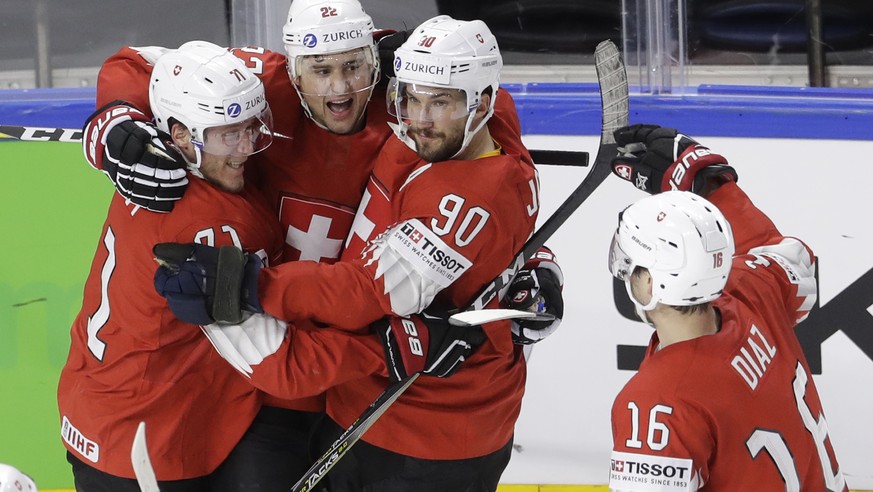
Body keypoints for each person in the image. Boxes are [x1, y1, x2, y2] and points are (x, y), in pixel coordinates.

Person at [81, 0, 564, 483]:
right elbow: (143, 64)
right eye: (320, 70)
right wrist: (114, 123)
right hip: (279, 375)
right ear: (292, 71)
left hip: (358, 375)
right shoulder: (255, 94)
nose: (339, 88)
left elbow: (487, 191)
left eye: (353, 66)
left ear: (375, 60)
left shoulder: (413, 106)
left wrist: (534, 265)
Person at [57, 41, 288, 489]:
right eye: (229, 134)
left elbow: (134, 58)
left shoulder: (145, 165)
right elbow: (276, 339)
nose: (246, 146)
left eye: (251, 127)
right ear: (181, 135)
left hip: (94, 402)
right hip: (150, 439)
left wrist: (116, 119)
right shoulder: (217, 225)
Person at [605, 124, 847, 490]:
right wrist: (709, 185)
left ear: (651, 283)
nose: (624, 273)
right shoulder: (753, 291)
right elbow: (794, 262)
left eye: (629, 265)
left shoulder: (657, 404)